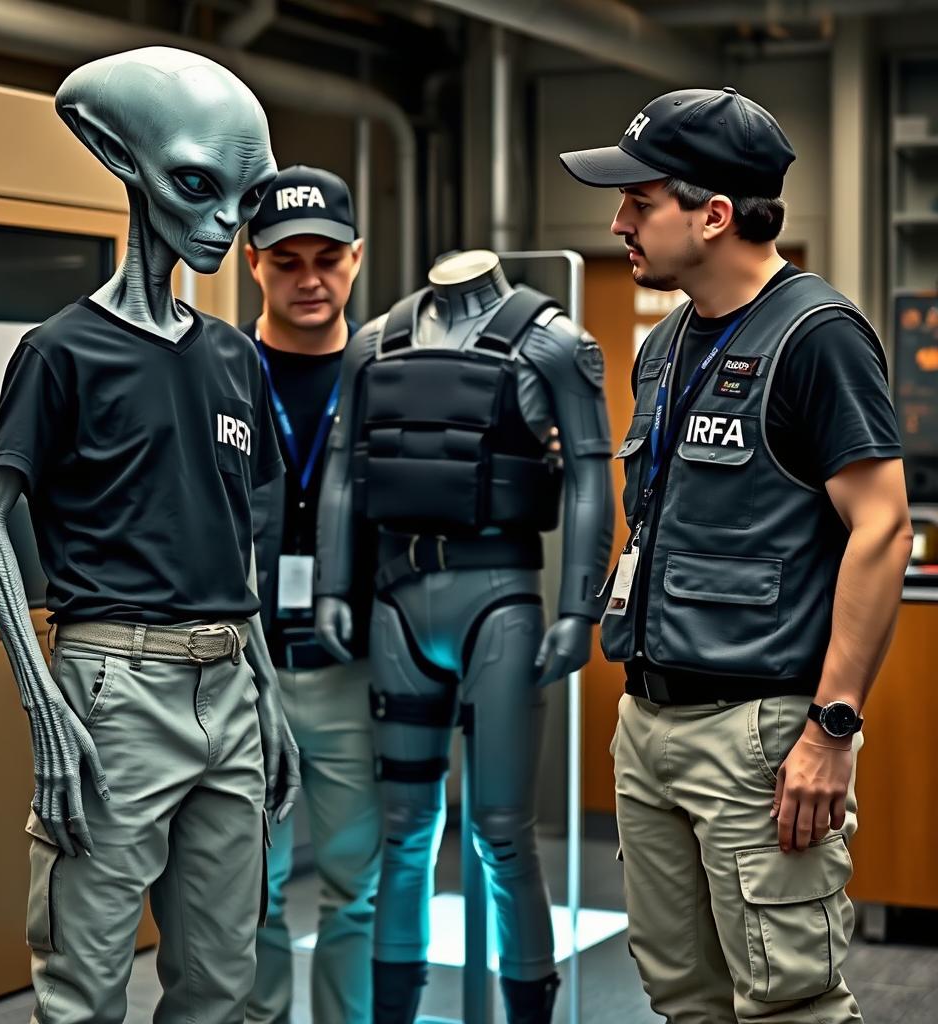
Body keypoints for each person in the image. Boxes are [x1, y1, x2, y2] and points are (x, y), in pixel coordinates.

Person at [560, 86, 914, 1023]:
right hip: (652, 721)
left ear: (714, 215)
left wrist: (831, 730)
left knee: (788, 1004)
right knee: (684, 997)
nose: (617, 222)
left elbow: (882, 527)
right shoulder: (668, 343)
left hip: (760, 735)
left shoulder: (817, 338)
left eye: (639, 202)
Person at [0, 47, 299, 1024]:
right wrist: (43, 709)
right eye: (199, 186)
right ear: (124, 159)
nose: (225, 224)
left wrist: (267, 692)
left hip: (229, 682)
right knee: (85, 982)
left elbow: (239, 541)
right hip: (115, 687)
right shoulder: (62, 351)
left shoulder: (237, 356)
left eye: (247, 197)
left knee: (222, 983)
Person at [315, 248, 614, 1024]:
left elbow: (590, 475)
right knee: (405, 834)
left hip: (500, 609)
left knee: (503, 835)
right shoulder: (374, 343)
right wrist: (330, 586)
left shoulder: (551, 342)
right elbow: (345, 473)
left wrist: (581, 608)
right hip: (396, 605)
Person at [240, 164, 381, 1024]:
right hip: (238, 676)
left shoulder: (387, 373)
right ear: (252, 264)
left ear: (356, 259)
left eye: (326, 258)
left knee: (351, 892)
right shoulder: (220, 370)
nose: (309, 279)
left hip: (347, 673)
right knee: (243, 896)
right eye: (285, 260)